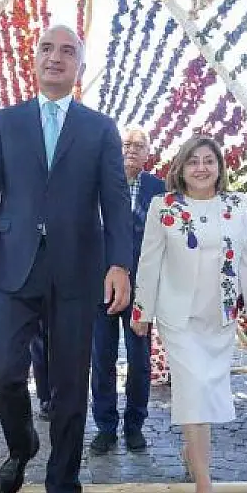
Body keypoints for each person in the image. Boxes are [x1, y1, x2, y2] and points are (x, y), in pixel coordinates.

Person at [0, 24, 132, 493]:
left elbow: (115, 202)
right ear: (33, 60)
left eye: (67, 51)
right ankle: (21, 446)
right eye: (46, 49)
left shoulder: (101, 129)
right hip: (12, 268)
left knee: (67, 389)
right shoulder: (5, 123)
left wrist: (120, 264)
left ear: (79, 66)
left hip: (79, 271)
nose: (55, 58)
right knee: (2, 371)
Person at [130, 136, 247, 493]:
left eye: (208, 161)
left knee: (205, 396)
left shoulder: (238, 205)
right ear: (181, 167)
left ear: (219, 166)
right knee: (193, 391)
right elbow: (150, 260)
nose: (201, 168)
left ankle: (193, 455)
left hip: (220, 317)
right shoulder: (165, 206)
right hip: (178, 317)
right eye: (193, 161)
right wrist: (142, 311)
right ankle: (205, 490)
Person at [89, 127, 164, 455]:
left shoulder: (160, 191)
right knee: (101, 357)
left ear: (149, 153)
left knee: (139, 359)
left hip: (141, 289)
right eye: (126, 144)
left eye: (139, 145)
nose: (132, 150)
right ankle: (105, 427)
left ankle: (135, 425)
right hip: (99, 285)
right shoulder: (95, 186)